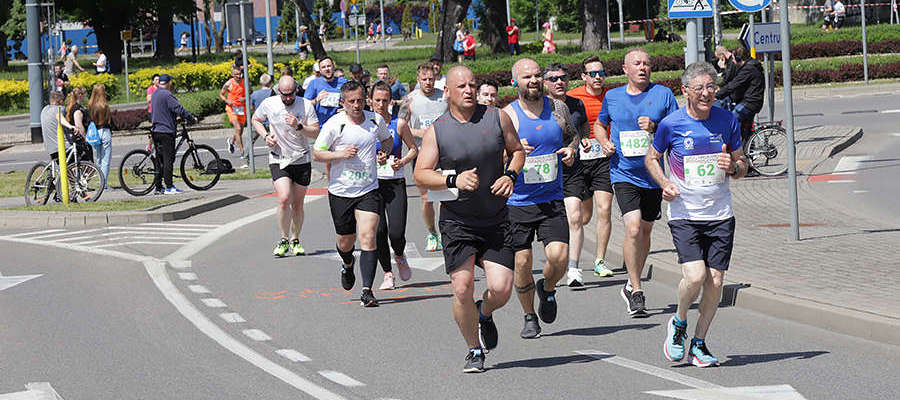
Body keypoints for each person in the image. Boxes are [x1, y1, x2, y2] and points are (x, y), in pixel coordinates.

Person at [413, 65, 525, 373]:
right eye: (461, 86)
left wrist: (510, 176)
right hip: (458, 221)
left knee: (501, 289)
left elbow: (517, 151)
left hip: (495, 219)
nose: (468, 90)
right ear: (447, 91)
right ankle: (474, 349)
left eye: (472, 85)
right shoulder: (438, 129)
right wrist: (453, 181)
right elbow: (420, 173)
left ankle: (484, 312)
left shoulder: (496, 117)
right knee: (461, 287)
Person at [646, 62, 747, 368]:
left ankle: (699, 343)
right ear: (685, 91)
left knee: (715, 281)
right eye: (700, 88)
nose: (706, 93)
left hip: (720, 214)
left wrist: (733, 167)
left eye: (711, 87)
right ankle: (678, 322)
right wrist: (664, 183)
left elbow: (742, 165)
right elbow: (652, 157)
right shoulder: (671, 124)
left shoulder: (727, 120)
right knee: (696, 276)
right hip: (685, 214)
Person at [595, 48, 679, 316]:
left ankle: (632, 283)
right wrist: (604, 142)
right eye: (637, 63)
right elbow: (599, 125)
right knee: (632, 228)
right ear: (625, 69)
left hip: (652, 176)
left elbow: (676, 128)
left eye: (647, 63)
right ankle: (636, 288)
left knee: (644, 232)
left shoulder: (663, 94)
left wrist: (656, 127)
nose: (643, 67)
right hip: (624, 172)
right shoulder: (613, 96)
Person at [504, 58, 577, 339]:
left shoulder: (557, 108)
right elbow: (494, 156)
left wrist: (572, 150)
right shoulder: (507, 115)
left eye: (537, 76)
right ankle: (529, 315)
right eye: (527, 77)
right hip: (518, 201)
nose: (533, 81)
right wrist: (512, 150)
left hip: (552, 198)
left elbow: (572, 136)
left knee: (559, 257)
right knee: (521, 264)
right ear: (515, 82)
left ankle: (547, 289)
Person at [313, 81, 394, 308]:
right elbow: (317, 153)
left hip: (368, 190)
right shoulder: (335, 124)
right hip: (340, 192)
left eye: (360, 100)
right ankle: (347, 263)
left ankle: (367, 291)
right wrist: (340, 154)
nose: (357, 105)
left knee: (368, 235)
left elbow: (387, 140)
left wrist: (383, 153)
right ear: (343, 103)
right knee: (346, 240)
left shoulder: (374, 120)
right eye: (351, 102)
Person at [252, 76, 321, 257]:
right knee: (284, 198)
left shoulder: (306, 105)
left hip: (301, 158)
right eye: (284, 95)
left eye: (291, 94)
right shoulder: (269, 103)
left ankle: (295, 239)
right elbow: (256, 120)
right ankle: (283, 239)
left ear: (296, 90)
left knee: (297, 204)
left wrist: (299, 126)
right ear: (278, 91)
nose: (288, 98)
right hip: (278, 158)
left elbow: (315, 132)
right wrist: (266, 135)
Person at [566, 55, 615, 283]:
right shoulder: (573, 97)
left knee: (604, 209)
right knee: (583, 217)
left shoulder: (612, 96)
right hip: (579, 161)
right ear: (584, 76)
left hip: (604, 159)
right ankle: (569, 249)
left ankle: (599, 260)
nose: (598, 77)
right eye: (593, 73)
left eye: (601, 73)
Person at [544, 63, 593, 289]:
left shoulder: (575, 104)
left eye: (563, 78)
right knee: (553, 222)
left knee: (575, 216)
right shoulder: (537, 107)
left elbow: (580, 127)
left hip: (571, 167)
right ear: (545, 83)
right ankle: (555, 263)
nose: (559, 82)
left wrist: (578, 144)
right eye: (553, 79)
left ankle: (574, 269)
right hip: (544, 172)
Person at [371, 81, 418, 289]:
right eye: (377, 100)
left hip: (395, 182)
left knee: (396, 232)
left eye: (385, 100)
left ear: (391, 101)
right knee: (379, 232)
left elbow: (413, 149)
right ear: (370, 101)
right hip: (371, 185)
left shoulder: (398, 124)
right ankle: (387, 273)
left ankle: (399, 255)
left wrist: (403, 161)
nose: (381, 104)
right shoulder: (363, 124)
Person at [397, 62, 448, 252]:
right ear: (418, 80)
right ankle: (432, 232)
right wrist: (419, 133)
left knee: (444, 196)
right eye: (424, 79)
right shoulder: (410, 100)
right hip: (422, 155)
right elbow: (400, 126)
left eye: (431, 79)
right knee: (426, 198)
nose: (428, 82)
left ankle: (445, 232)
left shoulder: (444, 97)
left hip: (444, 154)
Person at [150, 74, 199, 195]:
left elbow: (163, 110)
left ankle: (158, 186)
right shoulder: (167, 95)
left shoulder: (155, 93)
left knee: (159, 160)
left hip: (156, 130)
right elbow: (179, 109)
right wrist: (192, 119)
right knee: (168, 159)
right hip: (166, 131)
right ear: (168, 83)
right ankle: (169, 187)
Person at [714, 45, 763, 144]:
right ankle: (746, 151)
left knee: (732, 121)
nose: (732, 61)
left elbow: (732, 85)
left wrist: (716, 95)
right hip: (752, 101)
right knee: (745, 130)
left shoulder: (748, 69)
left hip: (750, 103)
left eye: (733, 58)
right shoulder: (750, 66)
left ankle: (734, 148)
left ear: (738, 58)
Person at [304, 56, 348, 125]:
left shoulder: (344, 82)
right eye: (323, 67)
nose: (327, 69)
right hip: (321, 125)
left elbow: (353, 100)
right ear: (320, 70)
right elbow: (305, 106)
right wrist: (316, 100)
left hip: (340, 124)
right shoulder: (314, 83)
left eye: (329, 66)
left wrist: (347, 108)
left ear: (333, 67)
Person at [221, 67, 250, 168]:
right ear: (233, 75)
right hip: (231, 108)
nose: (238, 76)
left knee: (240, 131)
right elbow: (221, 94)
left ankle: (231, 141)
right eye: (236, 74)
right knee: (237, 129)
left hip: (241, 108)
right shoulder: (229, 83)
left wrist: (245, 98)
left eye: (240, 74)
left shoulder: (245, 82)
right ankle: (242, 152)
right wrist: (226, 100)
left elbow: (250, 92)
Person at [41, 91, 77, 164]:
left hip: (50, 147)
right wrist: (70, 126)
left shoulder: (44, 109)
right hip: (62, 146)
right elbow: (59, 117)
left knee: (61, 168)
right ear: (60, 101)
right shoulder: (60, 108)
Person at [87, 84, 113, 185]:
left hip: (95, 132)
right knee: (106, 159)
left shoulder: (90, 105)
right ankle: (104, 183)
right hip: (105, 130)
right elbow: (109, 120)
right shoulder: (105, 105)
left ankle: (100, 180)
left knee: (98, 158)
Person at [65, 86, 93, 163]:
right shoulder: (77, 109)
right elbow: (79, 125)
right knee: (86, 162)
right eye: (84, 94)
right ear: (80, 95)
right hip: (80, 140)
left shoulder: (72, 107)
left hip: (75, 139)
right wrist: (85, 138)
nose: (85, 96)